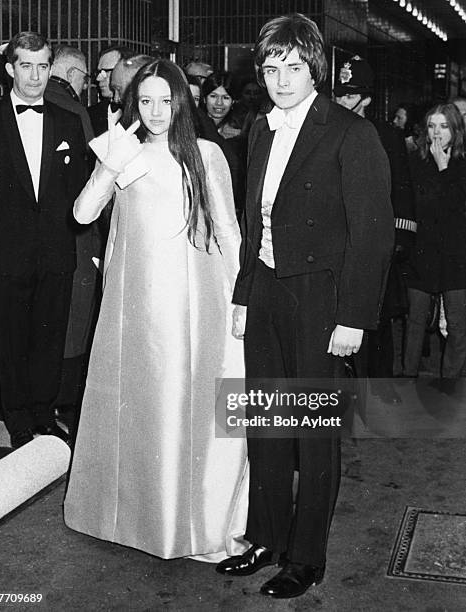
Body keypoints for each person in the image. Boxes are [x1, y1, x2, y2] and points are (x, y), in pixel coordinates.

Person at [215, 13, 394, 599]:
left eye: (293, 67)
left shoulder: (349, 132)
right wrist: (245, 293)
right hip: (266, 287)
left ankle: (305, 555)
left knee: (313, 429)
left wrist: (353, 318)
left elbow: (371, 234)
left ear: (313, 67)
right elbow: (252, 223)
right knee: (266, 420)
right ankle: (264, 537)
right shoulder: (260, 130)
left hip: (320, 294)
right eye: (271, 68)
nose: (281, 79)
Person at [64, 59, 248, 560]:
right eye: (145, 101)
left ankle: (193, 521)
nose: (156, 111)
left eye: (166, 101)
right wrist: (109, 163)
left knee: (189, 404)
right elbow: (83, 213)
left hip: (198, 303)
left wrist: (243, 298)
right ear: (132, 105)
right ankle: (135, 517)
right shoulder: (125, 153)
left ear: (181, 103)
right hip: (135, 304)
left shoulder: (206, 155)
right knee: (140, 407)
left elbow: (229, 231)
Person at [0, 32, 88, 449]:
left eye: (43, 65)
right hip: (0, 257)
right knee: (9, 342)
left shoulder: (67, 122)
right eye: (27, 65)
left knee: (49, 338)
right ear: (10, 69)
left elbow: (80, 190)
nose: (36, 75)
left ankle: (44, 414)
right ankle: (18, 420)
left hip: (55, 254)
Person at [334, 56, 416, 394]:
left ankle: (380, 392)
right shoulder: (329, 131)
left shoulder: (385, 135)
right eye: (340, 94)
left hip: (378, 245)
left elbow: (401, 189)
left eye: (350, 96)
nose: (342, 101)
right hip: (341, 243)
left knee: (377, 323)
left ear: (366, 98)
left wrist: (398, 239)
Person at [44, 45, 102, 435]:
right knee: (73, 320)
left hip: (33, 242)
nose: (87, 84)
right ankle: (63, 404)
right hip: (74, 236)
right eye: (84, 77)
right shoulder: (72, 109)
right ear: (71, 72)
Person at [403, 103, 466, 385]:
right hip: (423, 252)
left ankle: (450, 383)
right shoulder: (417, 162)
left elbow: (455, 211)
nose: (437, 133)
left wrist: (444, 169)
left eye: (443, 126)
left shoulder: (462, 165)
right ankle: (408, 380)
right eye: (432, 126)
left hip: (456, 255)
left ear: (455, 130)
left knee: (456, 325)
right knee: (415, 322)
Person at [88, 45, 134, 136]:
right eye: (99, 72)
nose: (98, 78)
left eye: (106, 71)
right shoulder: (89, 115)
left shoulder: (143, 114)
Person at [201, 71, 242, 139]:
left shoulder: (237, 134)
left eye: (225, 98)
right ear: (204, 99)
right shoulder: (192, 126)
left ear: (233, 101)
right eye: (213, 96)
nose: (219, 103)